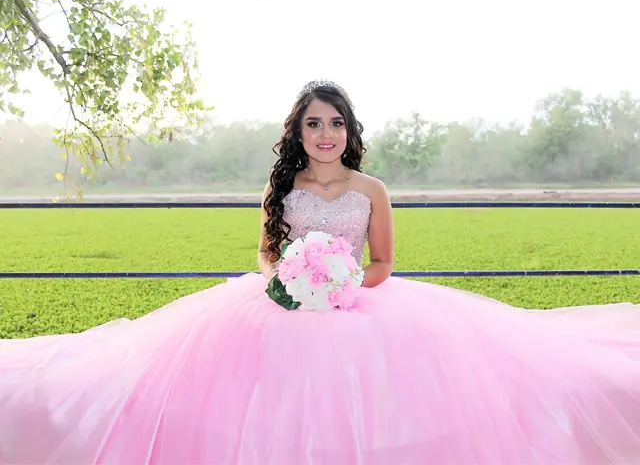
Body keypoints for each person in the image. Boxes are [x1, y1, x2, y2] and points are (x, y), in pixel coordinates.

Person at [1, 79, 640, 465]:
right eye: (314, 123)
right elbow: (263, 252)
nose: (325, 133)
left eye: (335, 123)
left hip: (360, 307)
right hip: (282, 306)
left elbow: (384, 263)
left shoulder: (372, 189)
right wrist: (285, 282)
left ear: (348, 131)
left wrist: (340, 284)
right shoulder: (281, 186)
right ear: (299, 132)